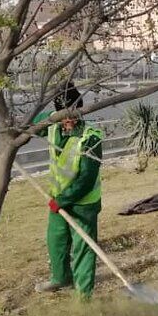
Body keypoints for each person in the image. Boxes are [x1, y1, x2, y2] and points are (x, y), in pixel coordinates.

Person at [33, 83, 104, 298]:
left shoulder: (91, 137)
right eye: (63, 117)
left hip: (83, 204)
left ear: (80, 111)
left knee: (83, 249)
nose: (68, 122)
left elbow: (86, 178)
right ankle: (60, 278)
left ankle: (83, 296)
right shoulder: (53, 124)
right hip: (58, 201)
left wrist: (63, 200)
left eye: (72, 116)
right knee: (56, 242)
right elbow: (33, 123)